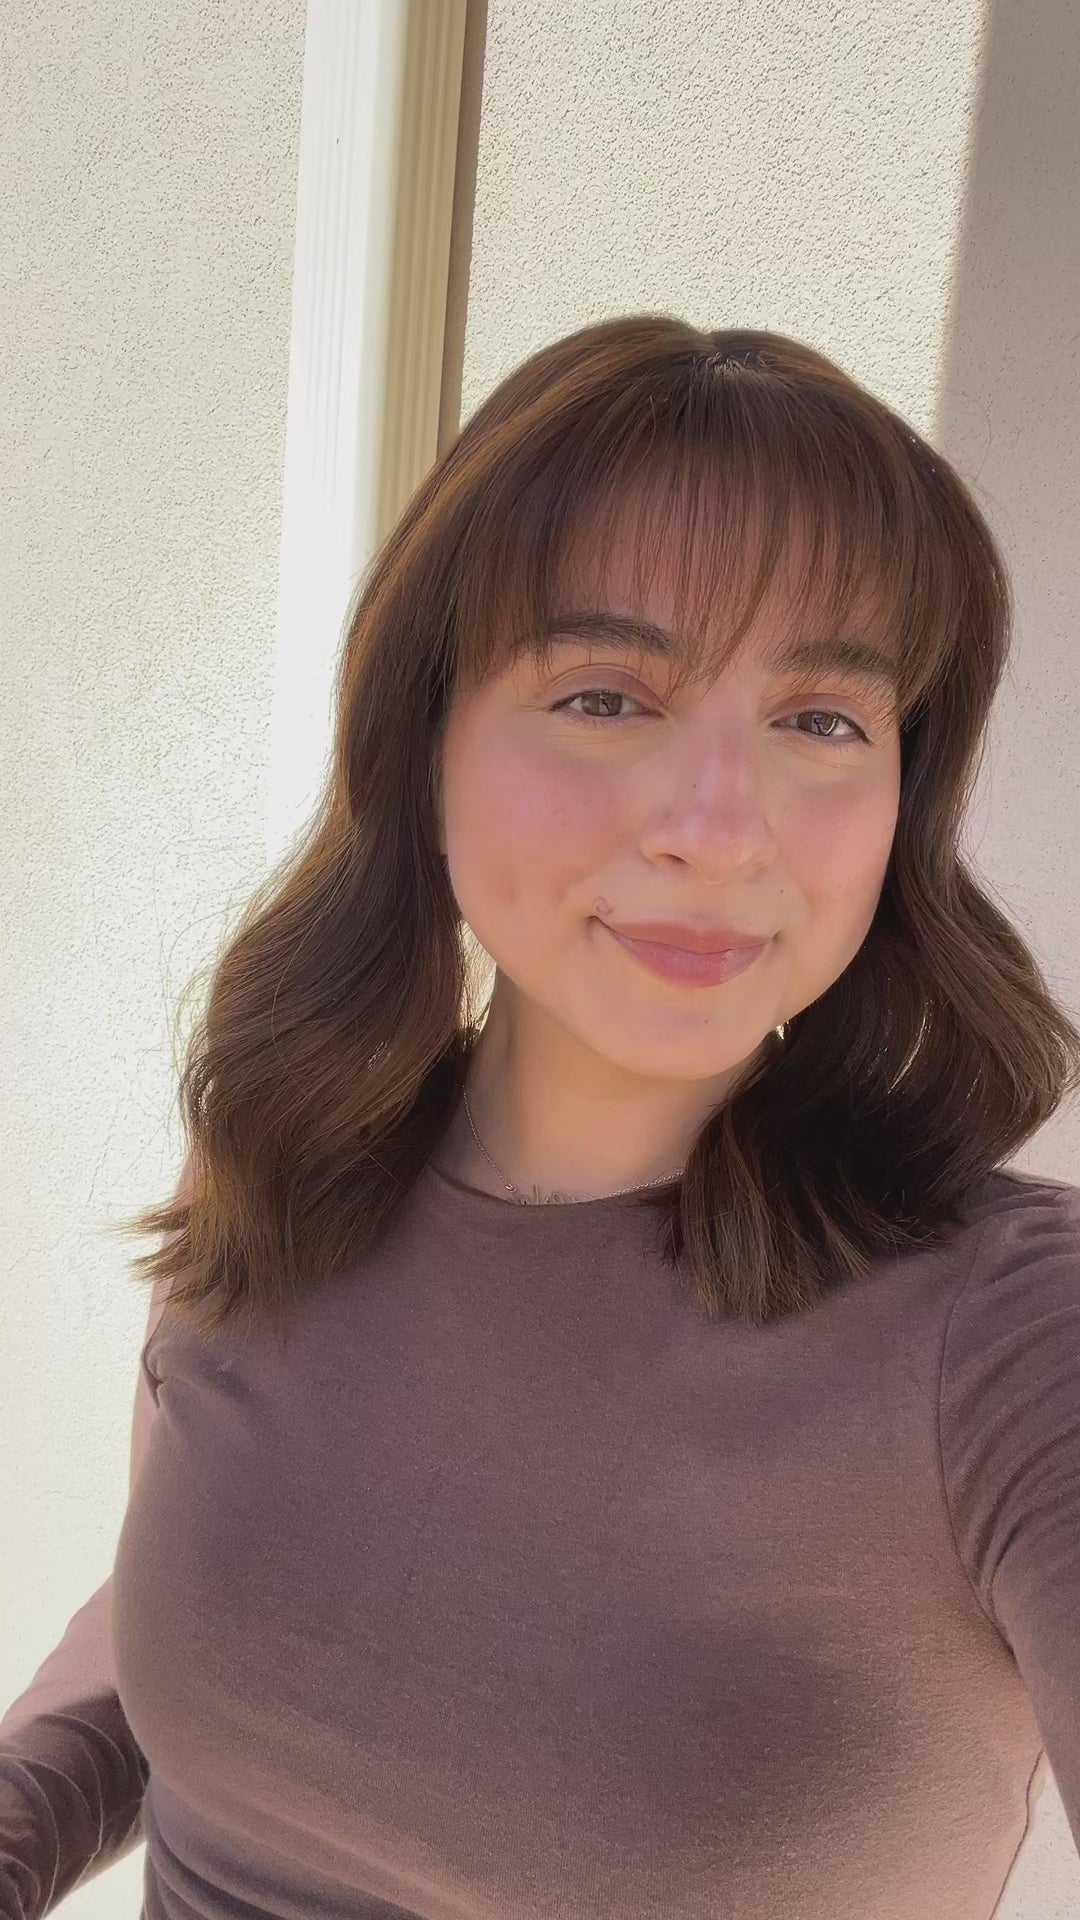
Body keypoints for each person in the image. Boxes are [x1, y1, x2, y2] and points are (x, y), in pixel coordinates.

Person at [3, 315, 1080, 1920]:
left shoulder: (1011, 1335)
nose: (720, 829)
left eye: (822, 720)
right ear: (423, 743)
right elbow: (181, 1627)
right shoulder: (289, 1160)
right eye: (606, 696)